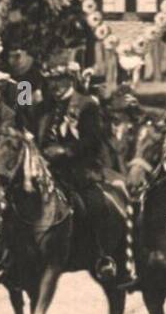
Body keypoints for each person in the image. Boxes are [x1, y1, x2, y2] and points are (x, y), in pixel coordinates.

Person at [37, 58, 125, 285]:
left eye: (60, 80)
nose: (54, 86)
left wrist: (65, 151)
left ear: (70, 80)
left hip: (79, 170)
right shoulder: (44, 106)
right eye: (51, 81)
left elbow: (93, 140)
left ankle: (102, 254)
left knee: (94, 204)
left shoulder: (87, 105)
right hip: (46, 171)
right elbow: (33, 128)